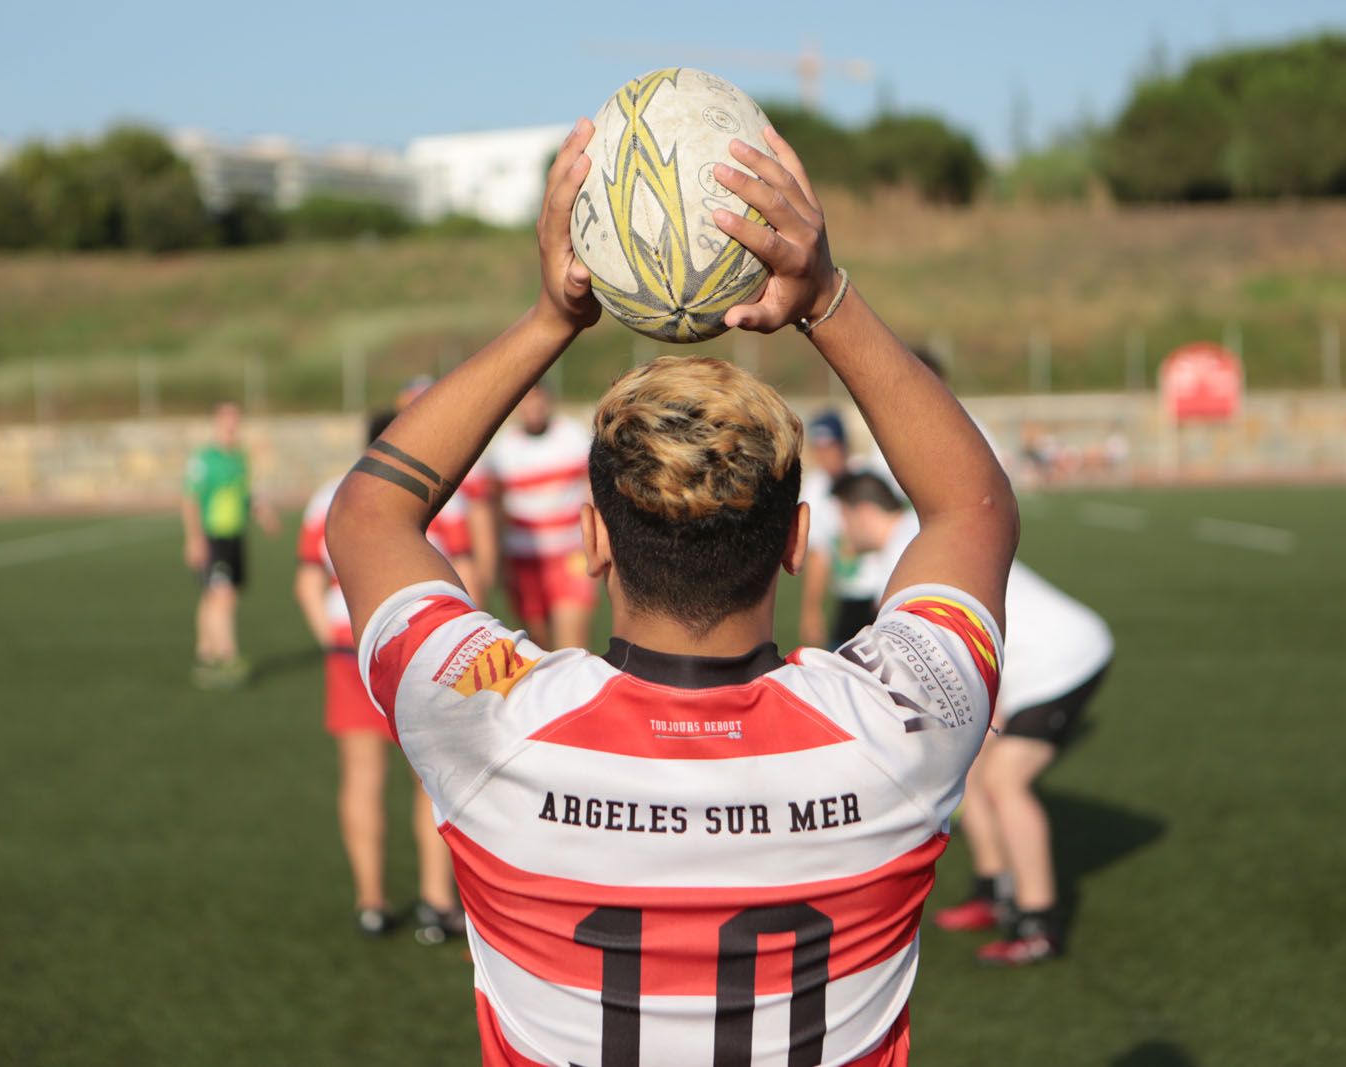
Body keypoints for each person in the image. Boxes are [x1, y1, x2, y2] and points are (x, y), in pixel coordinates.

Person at [325, 118, 1017, 1064]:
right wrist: (826, 297)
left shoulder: (490, 729)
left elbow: (368, 513)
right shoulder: (897, 731)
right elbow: (973, 507)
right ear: (796, 543)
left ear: (593, 540)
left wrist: (549, 320)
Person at [295, 410, 487, 942]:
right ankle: (435, 901)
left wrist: (338, 639)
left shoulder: (332, 496)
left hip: (350, 648)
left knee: (362, 776)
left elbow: (306, 583)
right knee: (434, 780)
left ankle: (371, 903)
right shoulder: (444, 496)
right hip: (427, 651)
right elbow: (469, 576)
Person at [932, 562, 1113, 965]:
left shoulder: (903, 554)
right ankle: (994, 894)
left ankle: (1037, 926)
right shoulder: (904, 548)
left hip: (1060, 660)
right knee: (973, 766)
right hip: (1017, 663)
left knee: (1005, 781)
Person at [480, 379, 596, 650]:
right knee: (538, 646)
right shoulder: (503, 451)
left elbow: (592, 492)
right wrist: (496, 559)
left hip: (570, 554)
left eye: (537, 399)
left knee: (572, 647)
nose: (532, 407)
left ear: (548, 401)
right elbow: (494, 509)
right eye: (526, 401)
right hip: (524, 559)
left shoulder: (574, 437)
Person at [181, 401, 278, 687]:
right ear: (216, 421)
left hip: (236, 535)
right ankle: (228, 657)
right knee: (222, 596)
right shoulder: (204, 459)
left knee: (217, 595)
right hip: (213, 535)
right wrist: (194, 538)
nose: (231, 424)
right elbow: (190, 499)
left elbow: (246, 494)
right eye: (226, 418)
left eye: (235, 418)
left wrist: (262, 513)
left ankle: (205, 654)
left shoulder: (239, 458)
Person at [798, 410, 888, 648]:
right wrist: (811, 610)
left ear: (843, 445)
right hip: (848, 596)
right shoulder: (816, 488)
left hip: (881, 591)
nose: (824, 456)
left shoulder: (867, 475)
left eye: (830, 447)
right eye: (819, 449)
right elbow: (819, 552)